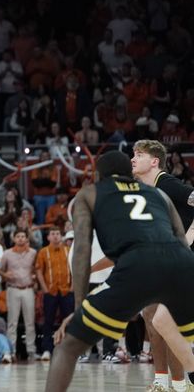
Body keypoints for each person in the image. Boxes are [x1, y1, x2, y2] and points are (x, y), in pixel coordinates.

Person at [46, 151, 194, 392]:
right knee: (168, 328)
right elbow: (180, 240)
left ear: (98, 175)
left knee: (68, 346)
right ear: (129, 172)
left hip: (137, 266)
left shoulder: (90, 194)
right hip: (181, 264)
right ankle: (177, 383)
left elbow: (81, 251)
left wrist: (79, 308)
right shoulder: (158, 194)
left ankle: (177, 383)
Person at [132, 140, 194, 391]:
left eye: (139, 155)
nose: (133, 159)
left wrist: (186, 241)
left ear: (154, 161)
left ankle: (181, 382)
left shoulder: (166, 183)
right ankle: (165, 382)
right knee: (154, 317)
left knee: (164, 320)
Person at [35, 226, 73, 362]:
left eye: (58, 233)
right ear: (48, 237)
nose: (56, 236)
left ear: (61, 236)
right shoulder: (43, 252)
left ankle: (69, 350)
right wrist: (44, 288)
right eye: (53, 234)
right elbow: (39, 270)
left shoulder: (68, 251)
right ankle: (46, 350)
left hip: (66, 290)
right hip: (50, 291)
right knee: (48, 321)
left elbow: (74, 267)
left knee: (69, 321)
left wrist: (73, 286)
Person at [0, 229, 38, 361]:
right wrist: (5, 275)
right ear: (14, 238)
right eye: (18, 236)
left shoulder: (33, 253)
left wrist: (35, 276)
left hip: (28, 288)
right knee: (12, 322)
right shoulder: (7, 254)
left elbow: (37, 268)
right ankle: (11, 351)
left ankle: (31, 351)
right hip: (13, 288)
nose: (20, 239)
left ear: (27, 239)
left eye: (23, 236)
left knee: (30, 322)